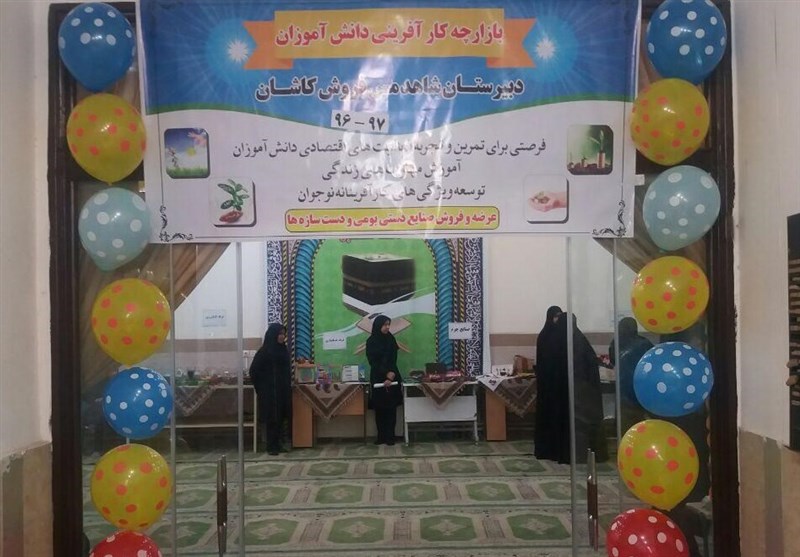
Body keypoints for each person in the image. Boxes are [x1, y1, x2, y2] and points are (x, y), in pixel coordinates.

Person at [548, 313, 609, 464]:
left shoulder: (575, 342)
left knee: (581, 425)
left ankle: (581, 455)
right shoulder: (576, 339)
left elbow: (576, 369)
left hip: (581, 391)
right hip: (582, 390)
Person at [249, 323, 292, 455]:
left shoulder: (283, 350)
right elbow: (253, 371)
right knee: (271, 418)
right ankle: (271, 446)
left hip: (282, 391)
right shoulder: (264, 351)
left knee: (281, 417)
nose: (282, 336)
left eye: (283, 334)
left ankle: (278, 444)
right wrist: (262, 388)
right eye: (280, 334)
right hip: (269, 393)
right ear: (273, 335)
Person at [608, 317, 653, 432]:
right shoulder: (645, 343)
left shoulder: (616, 342)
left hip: (623, 388)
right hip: (642, 387)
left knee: (624, 424)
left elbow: (612, 360)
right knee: (641, 422)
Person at [366, 315, 403, 445]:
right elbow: (373, 361)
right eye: (385, 324)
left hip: (392, 376)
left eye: (388, 324)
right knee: (379, 408)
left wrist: (390, 374)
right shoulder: (371, 341)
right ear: (378, 325)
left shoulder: (391, 339)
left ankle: (390, 437)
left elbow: (393, 358)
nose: (387, 327)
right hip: (377, 376)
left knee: (391, 408)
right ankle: (381, 437)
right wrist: (385, 374)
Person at [534, 305, 562, 460]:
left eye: (559, 316)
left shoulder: (561, 336)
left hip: (558, 385)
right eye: (555, 316)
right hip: (547, 385)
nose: (557, 319)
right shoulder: (544, 336)